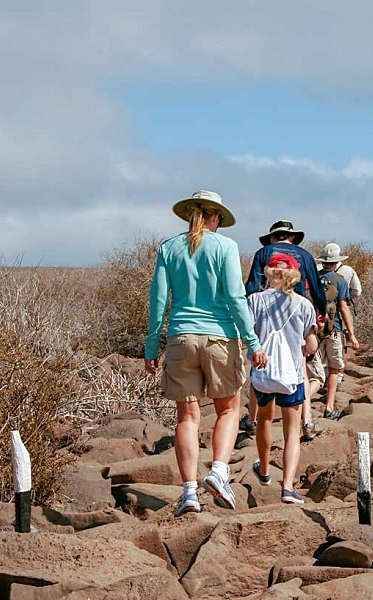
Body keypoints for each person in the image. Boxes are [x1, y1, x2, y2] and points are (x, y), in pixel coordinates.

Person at [144, 190, 267, 517]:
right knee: (228, 410)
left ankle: (189, 493)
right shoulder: (226, 247)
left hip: (180, 337)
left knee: (187, 417)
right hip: (220, 338)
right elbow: (235, 298)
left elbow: (158, 302)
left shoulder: (168, 248)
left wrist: (151, 345)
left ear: (189, 216)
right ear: (216, 218)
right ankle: (219, 471)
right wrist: (253, 343)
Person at [244, 220, 326, 441]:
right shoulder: (305, 255)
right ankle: (307, 421)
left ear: (272, 237)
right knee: (300, 372)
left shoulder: (263, 253)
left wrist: (250, 314)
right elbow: (316, 287)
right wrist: (321, 311)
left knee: (258, 371)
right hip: (298, 314)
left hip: (265, 318)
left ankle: (252, 420)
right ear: (291, 237)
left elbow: (251, 286)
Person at [247, 253, 318, 504]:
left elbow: (245, 333)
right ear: (295, 276)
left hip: (262, 372)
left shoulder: (254, 301)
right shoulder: (304, 305)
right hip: (293, 375)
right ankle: (287, 487)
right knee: (292, 431)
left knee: (264, 419)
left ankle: (264, 470)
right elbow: (310, 345)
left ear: (269, 273)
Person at [312, 243, 359, 419]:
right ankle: (329, 407)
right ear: (337, 262)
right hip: (334, 329)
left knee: (312, 373)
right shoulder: (339, 281)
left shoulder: (312, 279)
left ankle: (303, 403)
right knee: (333, 369)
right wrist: (352, 335)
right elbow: (344, 308)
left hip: (313, 330)